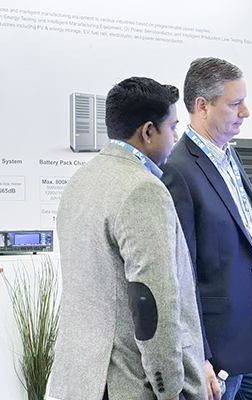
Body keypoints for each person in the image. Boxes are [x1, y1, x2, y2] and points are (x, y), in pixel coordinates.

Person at [47, 77, 207, 400]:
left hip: (77, 381)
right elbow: (153, 302)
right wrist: (169, 389)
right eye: (172, 127)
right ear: (148, 132)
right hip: (127, 383)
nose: (176, 137)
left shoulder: (80, 181)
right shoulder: (142, 189)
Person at [161, 58, 252, 400]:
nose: (245, 112)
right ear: (202, 106)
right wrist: (198, 353)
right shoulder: (179, 170)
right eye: (234, 103)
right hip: (215, 350)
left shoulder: (228, 157)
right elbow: (180, 274)